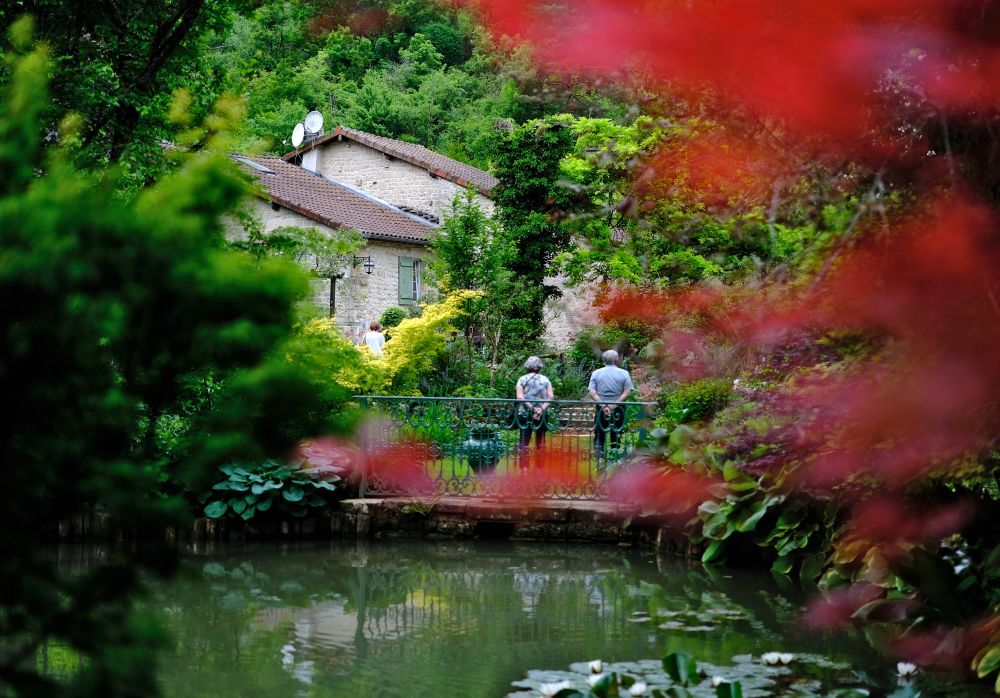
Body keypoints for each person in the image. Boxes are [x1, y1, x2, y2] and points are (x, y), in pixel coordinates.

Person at [588, 349, 634, 459]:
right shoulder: (624, 373)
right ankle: (615, 453)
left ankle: (599, 454)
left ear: (604, 359)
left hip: (601, 407)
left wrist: (603, 406)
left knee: (599, 431)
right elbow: (627, 392)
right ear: (616, 359)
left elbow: (592, 392)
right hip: (619, 408)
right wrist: (614, 405)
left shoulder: (596, 373)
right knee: (616, 431)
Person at [515, 356, 554, 455]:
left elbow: (520, 397)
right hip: (542, 414)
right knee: (541, 442)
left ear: (527, 366)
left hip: (525, 413)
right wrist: (541, 410)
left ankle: (523, 464)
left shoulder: (522, 379)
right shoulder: (545, 380)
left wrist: (532, 409)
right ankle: (539, 464)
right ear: (539, 366)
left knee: (524, 441)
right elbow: (551, 397)